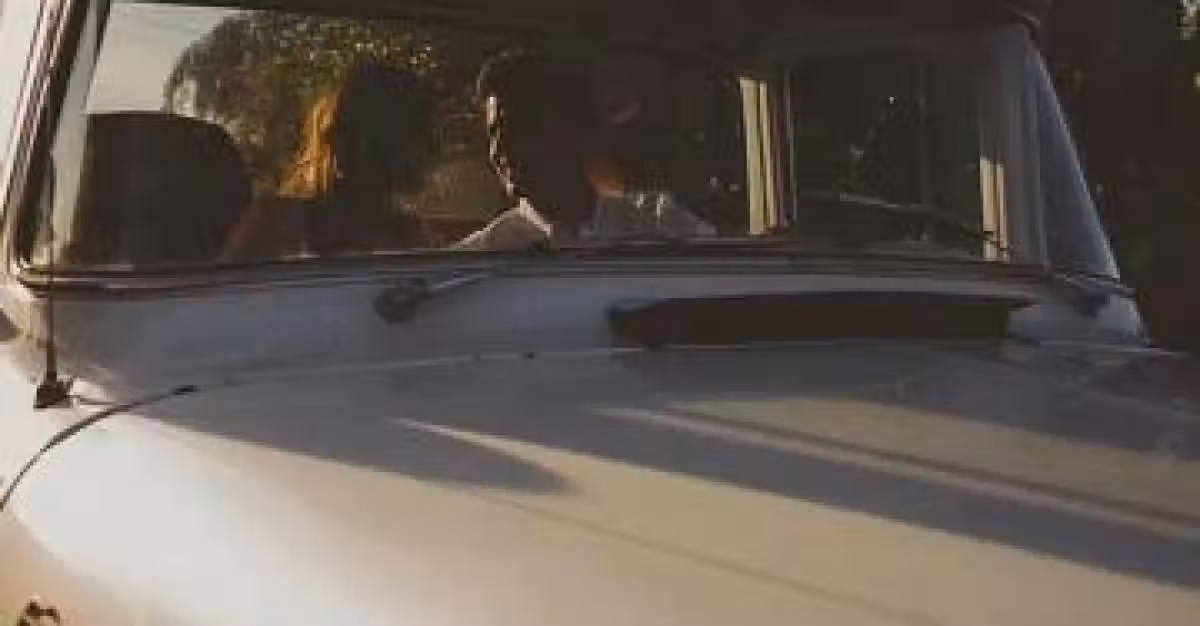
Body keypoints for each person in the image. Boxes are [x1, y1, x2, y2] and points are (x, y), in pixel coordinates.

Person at [453, 50, 713, 251]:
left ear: (573, 129)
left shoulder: (663, 227)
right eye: (493, 133)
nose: (500, 148)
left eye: (520, 127)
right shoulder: (478, 261)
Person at [223, 61, 436, 260]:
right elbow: (222, 285)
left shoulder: (410, 234)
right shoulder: (276, 225)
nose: (434, 149)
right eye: (420, 134)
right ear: (368, 143)